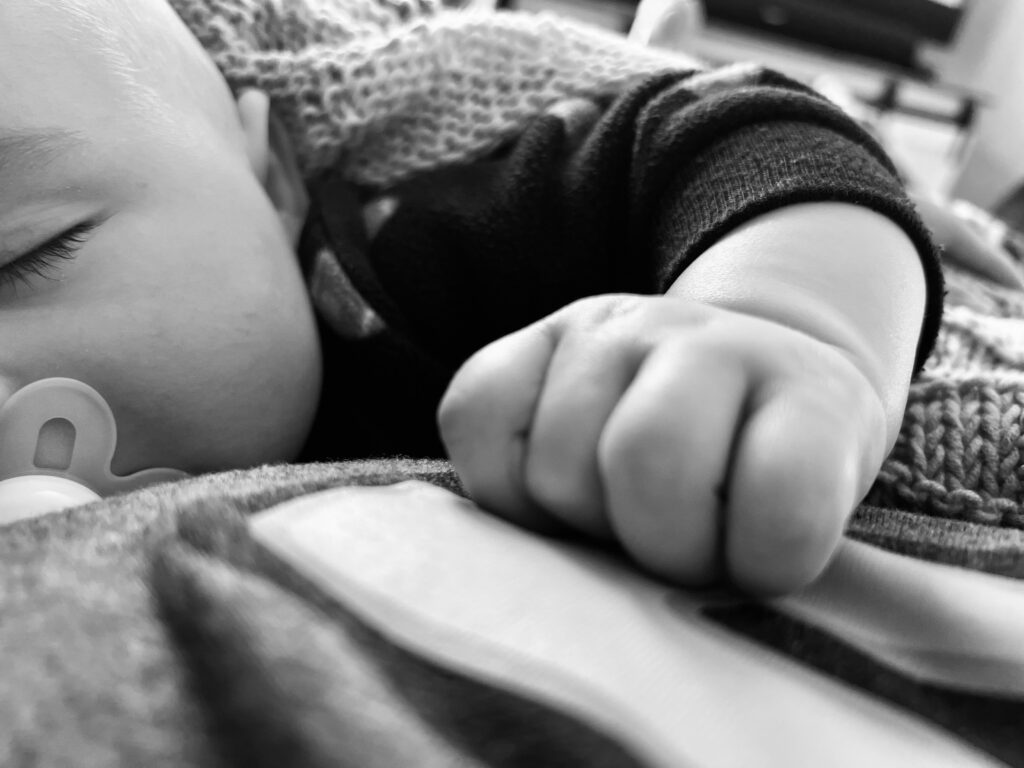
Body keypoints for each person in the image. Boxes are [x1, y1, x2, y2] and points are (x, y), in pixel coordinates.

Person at [0, 0, 943, 595]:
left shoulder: (418, 254)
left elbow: (731, 134)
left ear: (274, 178)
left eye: (24, 255)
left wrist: (784, 323)